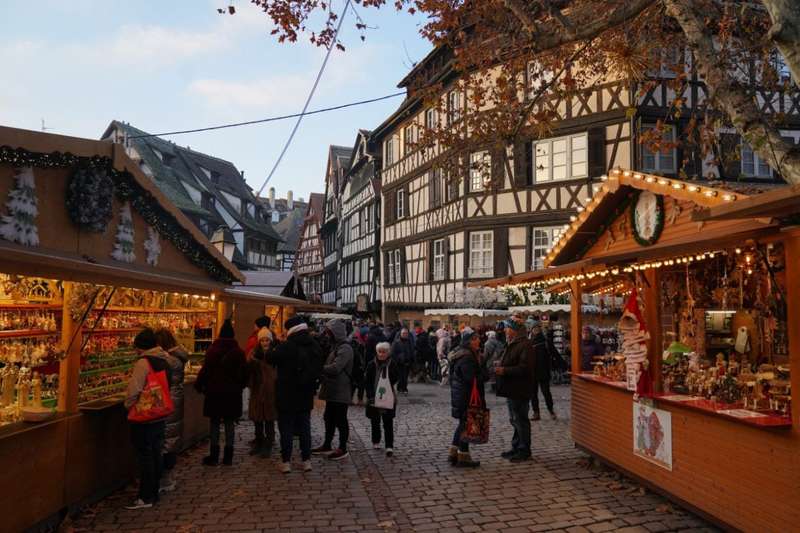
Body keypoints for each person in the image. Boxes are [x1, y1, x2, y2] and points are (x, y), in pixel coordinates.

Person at [124, 328, 173, 510]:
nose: (135, 351)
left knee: (145, 456)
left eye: (137, 347)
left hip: (144, 415)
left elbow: (134, 390)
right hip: (159, 414)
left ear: (142, 347)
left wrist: (128, 405)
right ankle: (154, 490)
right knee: (155, 452)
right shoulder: (165, 359)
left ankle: (146, 496)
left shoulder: (143, 363)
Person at [267, 316, 323, 473]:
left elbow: (269, 358)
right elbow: (318, 367)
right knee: (305, 428)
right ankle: (306, 461)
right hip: (305, 393)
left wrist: (274, 345)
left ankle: (286, 462)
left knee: (286, 429)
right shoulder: (314, 346)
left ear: (290, 330)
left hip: (287, 393)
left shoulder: (287, 346)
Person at [194, 319, 247, 467]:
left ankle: (214, 455)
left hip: (214, 393)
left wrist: (199, 386)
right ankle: (228, 456)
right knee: (230, 424)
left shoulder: (212, 351)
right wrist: (240, 386)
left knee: (215, 424)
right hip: (232, 394)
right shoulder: (239, 352)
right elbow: (244, 374)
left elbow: (205, 371)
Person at [153, 328, 188, 493]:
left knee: (165, 440)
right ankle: (168, 477)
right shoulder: (178, 357)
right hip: (175, 402)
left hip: (166, 402)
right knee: (171, 439)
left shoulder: (168, 360)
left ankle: (164, 478)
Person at [312, 319, 354, 461]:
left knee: (340, 420)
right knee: (328, 418)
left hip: (340, 390)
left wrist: (318, 369)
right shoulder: (335, 346)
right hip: (332, 389)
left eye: (329, 332)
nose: (327, 335)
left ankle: (343, 448)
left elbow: (336, 368)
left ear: (335, 333)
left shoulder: (345, 348)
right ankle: (327, 444)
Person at [495, 318, 535, 462]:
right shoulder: (514, 343)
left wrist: (504, 370)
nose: (505, 330)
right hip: (512, 388)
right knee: (515, 420)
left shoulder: (525, 345)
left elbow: (525, 368)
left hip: (520, 388)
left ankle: (524, 450)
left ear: (514, 330)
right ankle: (516, 447)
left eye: (507, 328)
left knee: (521, 420)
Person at [448, 330, 486, 468]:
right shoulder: (467, 357)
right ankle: (463, 456)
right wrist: (484, 375)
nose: (479, 341)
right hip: (466, 396)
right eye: (476, 339)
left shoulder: (463, 353)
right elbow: (471, 378)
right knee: (466, 425)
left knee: (462, 423)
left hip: (461, 395)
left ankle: (453, 453)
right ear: (469, 341)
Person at [247, 327, 278, 457]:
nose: (265, 343)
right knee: (258, 419)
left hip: (271, 392)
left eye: (267, 340)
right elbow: (249, 374)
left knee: (269, 420)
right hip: (257, 391)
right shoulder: (254, 355)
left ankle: (269, 444)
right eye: (262, 340)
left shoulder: (275, 354)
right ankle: (259, 442)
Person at [365, 341, 399, 456]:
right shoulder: (371, 364)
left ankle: (389, 446)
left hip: (388, 396)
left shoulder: (392, 364)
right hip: (374, 396)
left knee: (388, 422)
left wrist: (388, 372)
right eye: (379, 352)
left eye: (384, 352)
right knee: (375, 420)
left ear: (388, 352)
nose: (381, 354)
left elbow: (395, 378)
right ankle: (376, 441)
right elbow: (367, 381)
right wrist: (369, 395)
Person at [530, 322, 557, 421]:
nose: (536, 330)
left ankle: (551, 410)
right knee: (533, 394)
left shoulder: (546, 341)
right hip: (532, 372)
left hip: (544, 371)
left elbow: (555, 353)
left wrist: (562, 365)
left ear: (540, 329)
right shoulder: (530, 342)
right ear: (532, 330)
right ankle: (536, 413)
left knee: (546, 392)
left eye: (537, 328)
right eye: (534, 328)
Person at [391, 328, 415, 394]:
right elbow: (392, 353)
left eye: (406, 333)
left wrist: (412, 359)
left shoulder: (409, 342)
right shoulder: (396, 342)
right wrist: (398, 359)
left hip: (408, 362)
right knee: (401, 376)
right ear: (400, 334)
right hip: (399, 363)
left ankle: (404, 388)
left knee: (405, 376)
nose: (405, 334)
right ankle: (401, 388)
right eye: (403, 333)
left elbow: (412, 351)